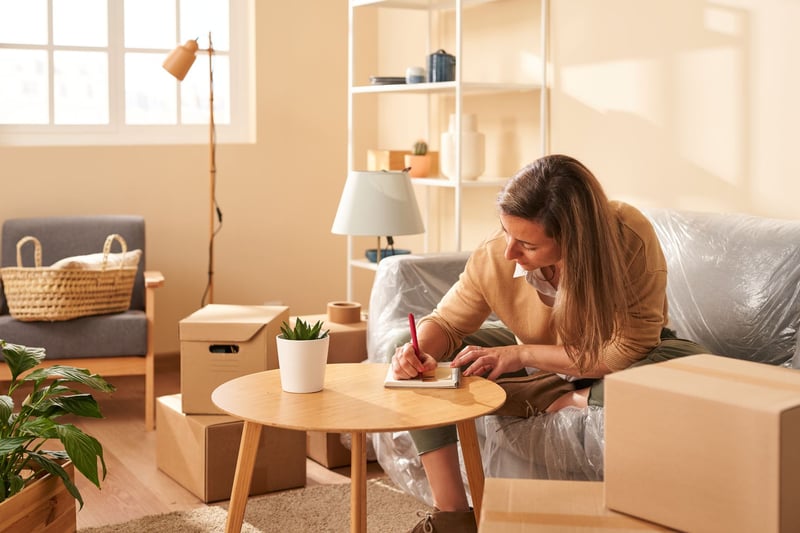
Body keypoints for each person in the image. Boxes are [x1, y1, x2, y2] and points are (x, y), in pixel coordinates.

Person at [392, 154, 708, 533]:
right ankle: (454, 516)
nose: (509, 250)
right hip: (542, 360)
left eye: (526, 243)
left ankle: (555, 395)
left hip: (616, 360)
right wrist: (420, 350)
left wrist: (521, 354)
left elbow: (626, 350)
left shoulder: (628, 237)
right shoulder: (497, 254)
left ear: (576, 239)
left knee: (690, 369)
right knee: (409, 353)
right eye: (506, 232)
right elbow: (446, 322)